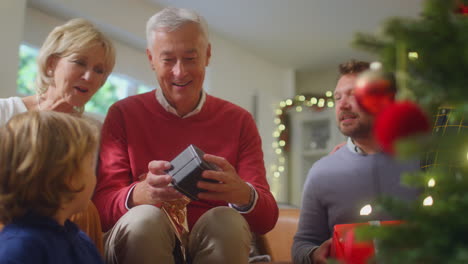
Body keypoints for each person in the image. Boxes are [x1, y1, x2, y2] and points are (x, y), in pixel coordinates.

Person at [93, 7, 278, 264]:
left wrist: (242, 193)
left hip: (214, 236)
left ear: (207, 55)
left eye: (190, 58)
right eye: (168, 60)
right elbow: (100, 209)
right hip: (144, 234)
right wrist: (140, 194)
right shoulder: (123, 113)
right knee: (146, 219)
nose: (180, 72)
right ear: (151, 59)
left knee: (227, 221)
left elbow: (267, 219)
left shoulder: (239, 120)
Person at [0, 18, 115, 253]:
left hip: (68, 225)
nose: (90, 77)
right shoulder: (6, 111)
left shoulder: (95, 132)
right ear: (52, 64)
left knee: (86, 211)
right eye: (80, 63)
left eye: (99, 70)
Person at [291, 60, 420, 264]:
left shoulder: (424, 161)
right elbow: (302, 244)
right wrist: (314, 254)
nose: (342, 104)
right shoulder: (321, 172)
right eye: (338, 97)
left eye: (353, 94)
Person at [0, 111, 103, 264]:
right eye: (90, 166)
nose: (95, 178)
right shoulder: (18, 249)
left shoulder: (81, 240)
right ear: (70, 178)